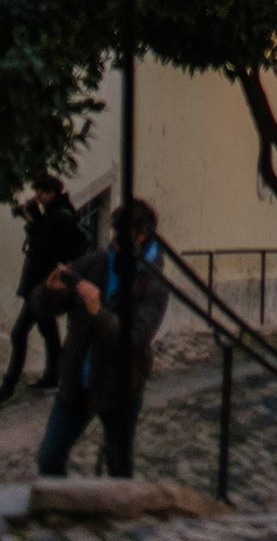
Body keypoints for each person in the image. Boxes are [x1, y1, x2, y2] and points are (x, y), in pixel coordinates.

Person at [34, 199, 169, 480]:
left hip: (120, 385)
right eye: (114, 233)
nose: (114, 242)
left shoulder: (152, 282)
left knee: (118, 466)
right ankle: (60, 510)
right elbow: (43, 306)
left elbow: (136, 338)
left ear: (141, 237)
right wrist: (50, 290)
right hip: (76, 380)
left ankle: (117, 519)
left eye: (122, 235)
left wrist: (98, 312)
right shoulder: (97, 261)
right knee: (49, 456)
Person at [0, 179, 86, 405]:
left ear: (52, 192)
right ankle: (52, 377)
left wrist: (32, 220)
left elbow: (43, 247)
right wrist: (35, 217)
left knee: (19, 333)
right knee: (48, 330)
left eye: (41, 192)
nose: (37, 196)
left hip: (42, 284)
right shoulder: (55, 213)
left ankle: (8, 386)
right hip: (41, 283)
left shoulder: (60, 216)